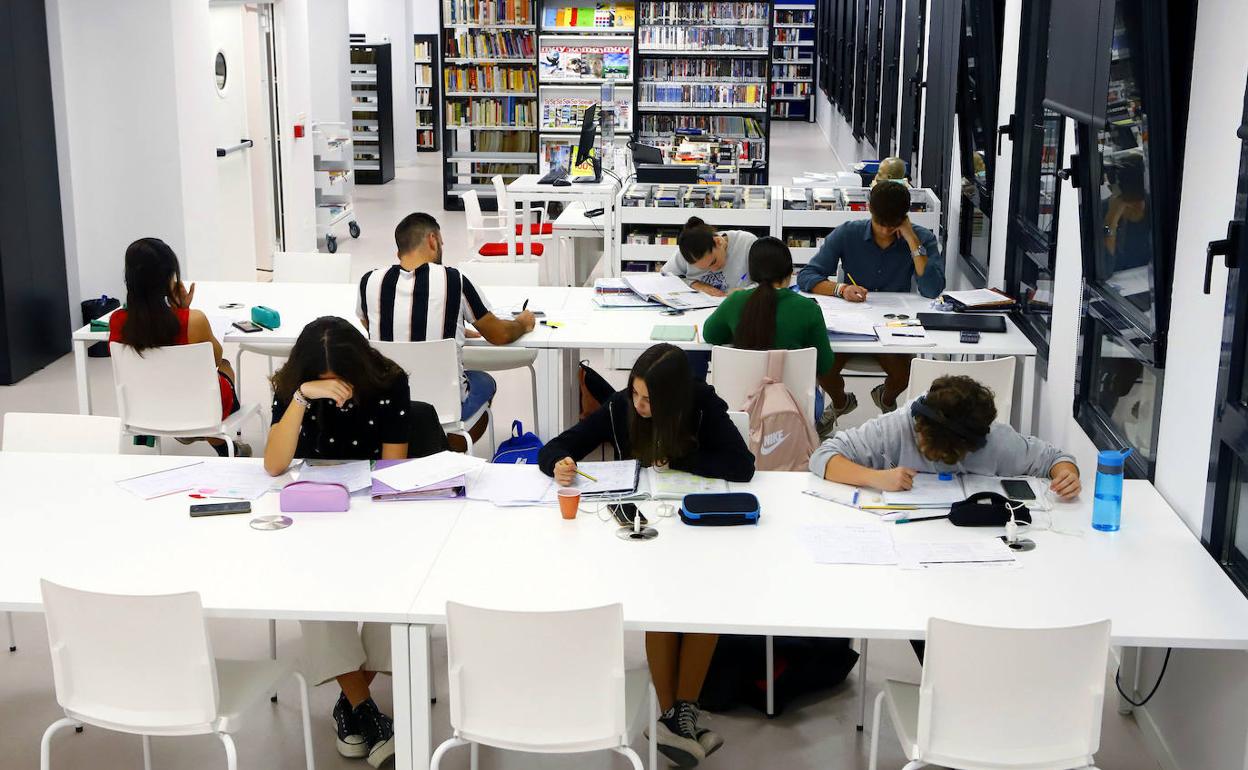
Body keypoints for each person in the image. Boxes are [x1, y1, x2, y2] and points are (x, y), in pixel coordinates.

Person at [537, 344, 754, 768]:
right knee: (661, 602)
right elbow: (562, 445)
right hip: (638, 529)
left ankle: (674, 720)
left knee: (700, 601)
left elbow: (741, 465)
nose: (639, 405)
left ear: (673, 396)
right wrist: (556, 464)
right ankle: (680, 720)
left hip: (693, 525)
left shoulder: (702, 405)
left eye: (649, 399)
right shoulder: (621, 408)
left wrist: (682, 459)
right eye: (635, 394)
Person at [263, 316, 417, 768]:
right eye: (322, 381)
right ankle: (367, 712)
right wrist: (300, 398)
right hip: (312, 508)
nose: (335, 389)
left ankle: (352, 707)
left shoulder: (389, 382)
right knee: (316, 597)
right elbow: (274, 465)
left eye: (340, 380)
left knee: (397, 595)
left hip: (372, 503)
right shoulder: (294, 388)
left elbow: (392, 469)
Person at [357, 212, 536, 445]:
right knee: (485, 382)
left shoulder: (369, 282)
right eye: (441, 243)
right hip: (445, 406)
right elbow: (499, 335)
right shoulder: (454, 280)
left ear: (399, 250)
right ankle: (446, 448)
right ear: (432, 240)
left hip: (387, 404)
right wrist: (522, 322)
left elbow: (369, 324)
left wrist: (456, 328)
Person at [795, 181, 945, 418]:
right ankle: (841, 402)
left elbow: (932, 289)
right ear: (869, 210)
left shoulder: (922, 238)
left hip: (893, 325)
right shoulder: (848, 233)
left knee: (903, 375)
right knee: (822, 366)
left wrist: (911, 240)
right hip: (849, 323)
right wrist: (841, 289)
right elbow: (807, 276)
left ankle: (885, 398)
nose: (885, 231)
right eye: (880, 224)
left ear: (905, 217)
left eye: (893, 225)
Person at [810, 374, 1081, 499]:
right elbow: (823, 456)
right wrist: (875, 477)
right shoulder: (899, 427)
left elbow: (1055, 459)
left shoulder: (996, 440)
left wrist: (1066, 474)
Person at [107, 237, 247, 456]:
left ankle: (188, 428)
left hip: (148, 406)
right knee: (225, 366)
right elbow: (216, 360)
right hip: (197, 405)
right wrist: (183, 310)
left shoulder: (117, 320)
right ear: (168, 279)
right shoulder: (193, 320)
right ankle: (216, 440)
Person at [702, 236, 837, 423]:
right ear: (790, 272)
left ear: (752, 273)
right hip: (794, 408)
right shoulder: (808, 309)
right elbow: (825, 365)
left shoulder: (735, 302)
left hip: (742, 405)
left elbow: (710, 334)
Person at [662, 216, 759, 297]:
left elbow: (770, 282)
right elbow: (665, 276)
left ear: (718, 241)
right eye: (703, 268)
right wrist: (695, 284)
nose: (713, 270)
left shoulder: (747, 243)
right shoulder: (687, 251)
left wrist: (746, 292)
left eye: (713, 262)